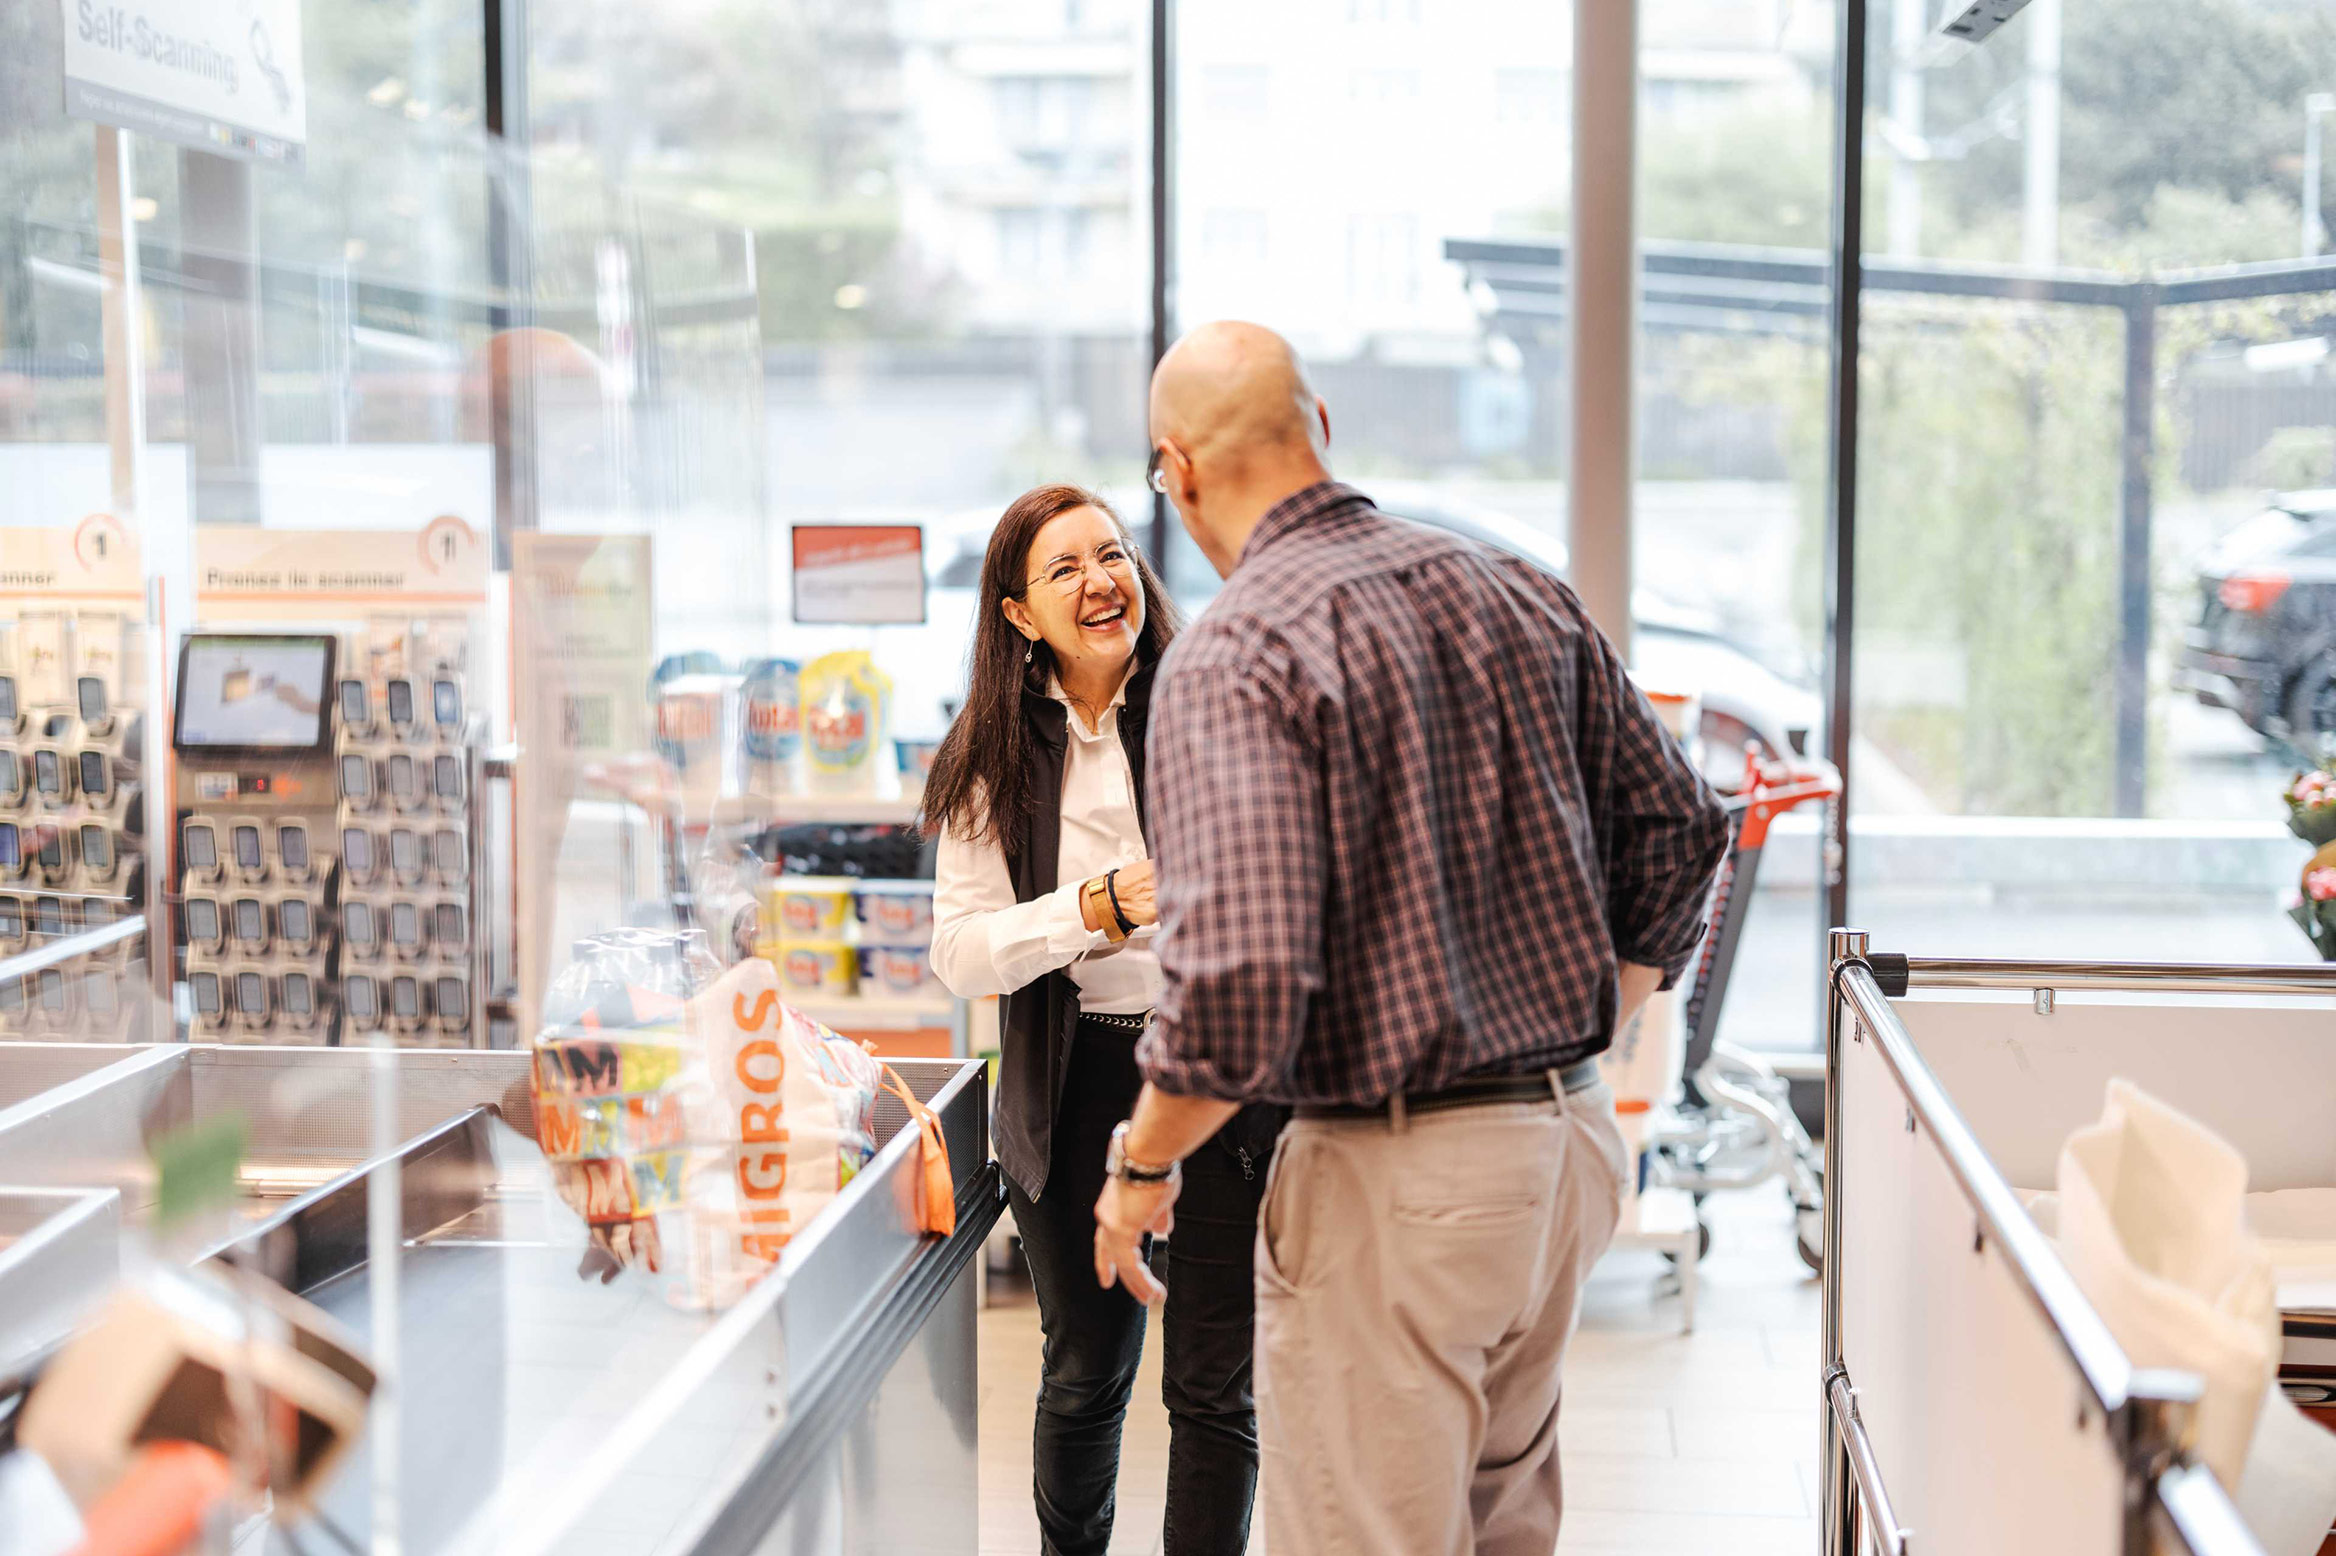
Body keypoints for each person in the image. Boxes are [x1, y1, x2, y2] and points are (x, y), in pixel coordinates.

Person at [1092, 322, 1733, 1556]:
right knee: (1503, 1524)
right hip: (1564, 1155)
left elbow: (1242, 985)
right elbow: (1681, 824)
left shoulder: (1237, 649)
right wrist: (1593, 1019)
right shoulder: (1509, 586)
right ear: (1318, 426)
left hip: (1402, 1180)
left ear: (1171, 470)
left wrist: (1141, 1163)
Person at [924, 483, 1281, 1556]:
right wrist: (1097, 907)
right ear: (1018, 613)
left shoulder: (1218, 698)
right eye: (1065, 567)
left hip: (1218, 1073)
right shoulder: (992, 750)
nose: (1100, 580)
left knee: (1214, 1380)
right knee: (1084, 1368)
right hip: (1074, 1082)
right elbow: (958, 950)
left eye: (1112, 554)